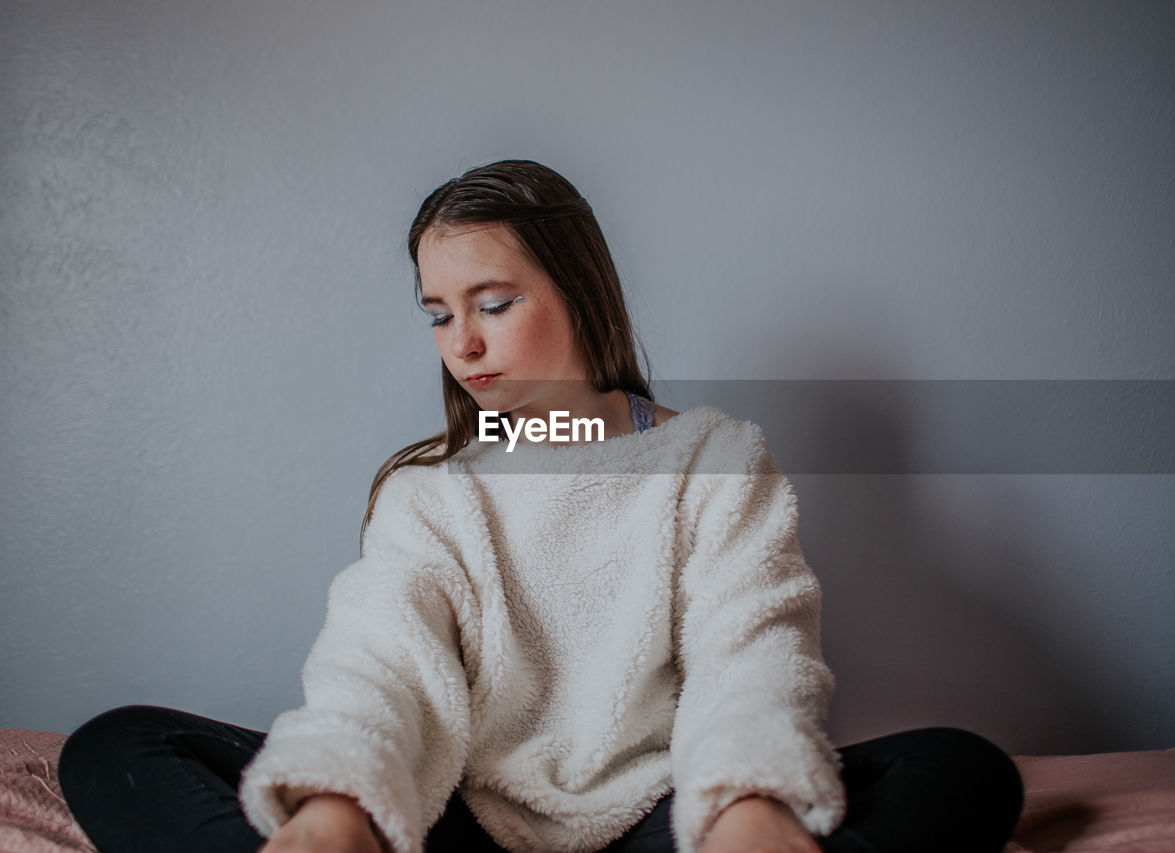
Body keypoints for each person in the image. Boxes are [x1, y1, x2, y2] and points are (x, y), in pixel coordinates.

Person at [58, 160, 1024, 853]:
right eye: (439, 313)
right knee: (119, 744)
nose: (462, 345)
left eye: (493, 301)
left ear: (579, 288)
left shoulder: (715, 457)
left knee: (961, 767)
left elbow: (754, 652)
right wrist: (337, 810)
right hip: (460, 816)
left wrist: (750, 810)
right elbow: (382, 666)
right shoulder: (430, 488)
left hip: (660, 814)